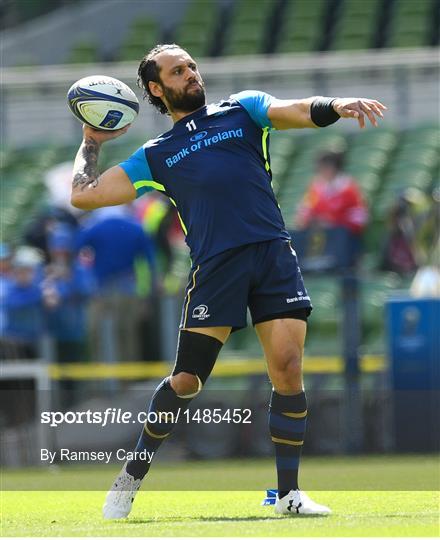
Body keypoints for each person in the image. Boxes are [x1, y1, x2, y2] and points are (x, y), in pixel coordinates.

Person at [70, 44, 386, 518]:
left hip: (272, 254)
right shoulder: (154, 155)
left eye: (192, 66)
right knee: (186, 381)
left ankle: (288, 495)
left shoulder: (244, 109)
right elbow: (83, 196)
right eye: (179, 71)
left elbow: (295, 110)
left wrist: (337, 105)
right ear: (157, 89)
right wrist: (91, 140)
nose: (191, 74)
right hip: (217, 267)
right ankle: (129, 478)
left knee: (287, 365)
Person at [295, 150, 368, 234]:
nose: (322, 171)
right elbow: (306, 211)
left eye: (326, 167)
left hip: (344, 237)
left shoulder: (348, 188)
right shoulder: (316, 187)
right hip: (323, 235)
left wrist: (332, 222)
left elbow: (359, 219)